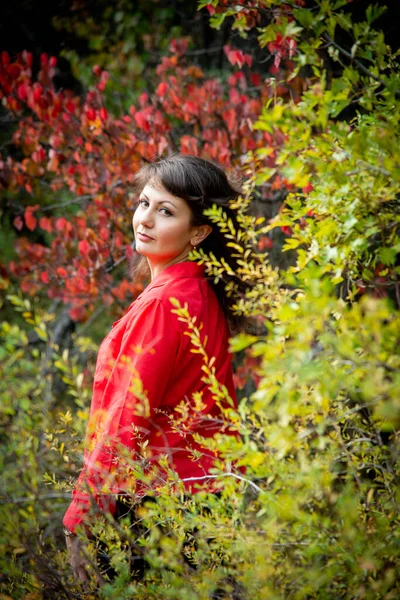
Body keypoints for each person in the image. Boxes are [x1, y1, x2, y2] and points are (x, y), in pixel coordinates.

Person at [63, 154, 246, 583]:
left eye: (166, 211)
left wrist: (81, 515)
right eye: (144, 203)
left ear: (199, 231)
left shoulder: (166, 303)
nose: (145, 219)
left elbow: (127, 418)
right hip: (206, 501)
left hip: (155, 509)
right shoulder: (200, 291)